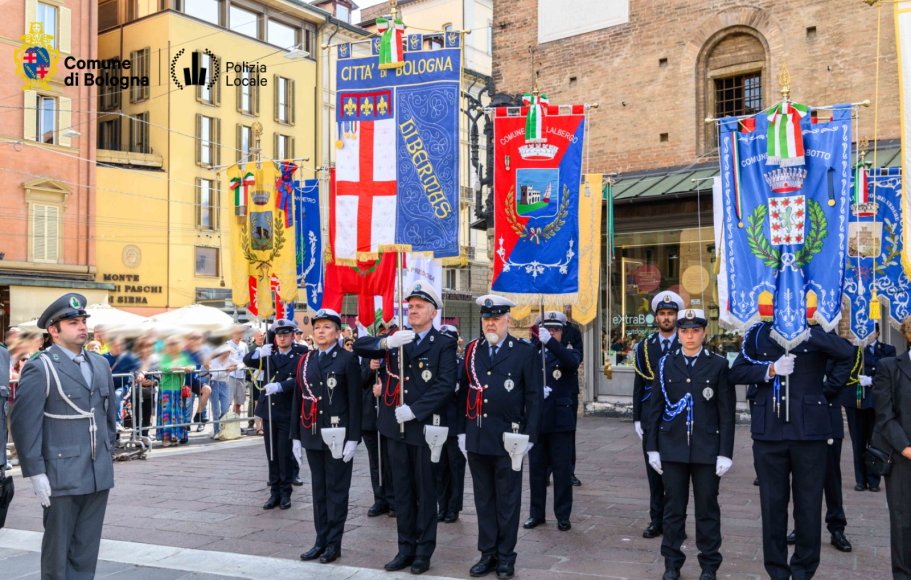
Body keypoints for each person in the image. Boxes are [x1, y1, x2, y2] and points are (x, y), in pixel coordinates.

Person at [729, 321, 854, 580]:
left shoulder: (819, 332)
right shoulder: (759, 332)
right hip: (769, 432)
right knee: (772, 506)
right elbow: (737, 371)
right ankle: (776, 571)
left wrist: (825, 392)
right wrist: (770, 369)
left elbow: (847, 354)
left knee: (808, 506)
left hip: (809, 432)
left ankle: (803, 571)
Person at [9, 293, 117, 578]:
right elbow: (23, 423)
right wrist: (35, 472)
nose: (82, 327)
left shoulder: (100, 364)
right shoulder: (41, 366)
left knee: (86, 547)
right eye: (73, 322)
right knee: (59, 549)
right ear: (54, 331)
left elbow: (108, 416)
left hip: (96, 470)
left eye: (82, 321)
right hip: (61, 471)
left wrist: (108, 451)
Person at [354, 280, 457, 575]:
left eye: (419, 306)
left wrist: (415, 410)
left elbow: (445, 385)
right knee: (401, 492)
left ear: (433, 312)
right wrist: (385, 343)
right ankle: (404, 549)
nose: (412, 311)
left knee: (425, 492)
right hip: (393, 428)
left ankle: (423, 551)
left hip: (423, 428)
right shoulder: (398, 339)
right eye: (410, 306)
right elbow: (360, 347)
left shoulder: (444, 344)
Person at [645, 308, 735, 580]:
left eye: (695, 330)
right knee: (673, 510)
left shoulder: (718, 365)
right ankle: (672, 563)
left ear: (704, 333)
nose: (689, 336)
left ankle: (709, 565)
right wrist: (652, 447)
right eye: (684, 331)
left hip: (707, 450)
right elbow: (655, 409)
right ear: (679, 334)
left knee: (707, 510)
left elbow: (726, 413)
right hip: (672, 448)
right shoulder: (666, 363)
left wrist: (725, 453)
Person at [457, 294, 542, 580]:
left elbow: (534, 397)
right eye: (487, 319)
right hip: (478, 436)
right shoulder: (471, 351)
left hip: (510, 438)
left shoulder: (524, 351)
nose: (491, 324)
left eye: (496, 319)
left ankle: (506, 556)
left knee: (507, 499)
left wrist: (530, 435)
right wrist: (460, 431)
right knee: (483, 499)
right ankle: (487, 553)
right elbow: (462, 393)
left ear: (508, 320)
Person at [292, 308, 361, 564]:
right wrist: (295, 436)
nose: (321, 331)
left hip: (338, 435)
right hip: (312, 433)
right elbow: (298, 400)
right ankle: (320, 541)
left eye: (327, 327)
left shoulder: (346, 359)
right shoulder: (306, 360)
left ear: (338, 332)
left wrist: (353, 437)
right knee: (318, 491)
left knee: (336, 491)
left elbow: (354, 401)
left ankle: (334, 543)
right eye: (317, 327)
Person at [632, 290, 684, 539]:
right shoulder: (645, 346)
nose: (666, 318)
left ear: (677, 316)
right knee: (654, 473)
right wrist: (637, 418)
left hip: (678, 414)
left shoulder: (686, 343)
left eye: (670, 314)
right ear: (656, 317)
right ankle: (656, 521)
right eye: (662, 314)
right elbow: (638, 384)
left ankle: (677, 525)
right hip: (652, 416)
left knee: (677, 475)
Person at [525, 311, 582, 532]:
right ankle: (536, 513)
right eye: (547, 329)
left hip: (560, 420)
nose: (551, 333)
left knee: (562, 470)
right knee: (537, 470)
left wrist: (550, 343)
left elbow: (572, 362)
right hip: (538, 420)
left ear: (562, 332)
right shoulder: (532, 352)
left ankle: (563, 515)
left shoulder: (567, 351)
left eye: (556, 329)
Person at [244, 319, 307, 510]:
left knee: (284, 453)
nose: (282, 338)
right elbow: (247, 361)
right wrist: (258, 351)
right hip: (269, 410)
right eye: (279, 335)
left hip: (287, 409)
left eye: (286, 335)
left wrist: (281, 386)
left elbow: (301, 379)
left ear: (292, 336)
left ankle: (286, 492)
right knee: (271, 453)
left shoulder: (301, 353)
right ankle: (274, 493)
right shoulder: (268, 354)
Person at [872, 315, 911, 579]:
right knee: (903, 522)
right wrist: (906, 448)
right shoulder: (890, 366)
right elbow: (885, 415)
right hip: (902, 457)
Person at [845, 326, 894, 492]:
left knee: (875, 442)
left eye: (870, 331)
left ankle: (874, 480)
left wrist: (872, 380)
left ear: (878, 333)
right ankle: (861, 480)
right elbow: (846, 372)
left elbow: (890, 374)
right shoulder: (853, 351)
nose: (866, 334)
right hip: (856, 402)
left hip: (876, 402)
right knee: (858, 442)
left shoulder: (887, 350)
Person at [360, 329, 395, 519]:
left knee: (391, 460)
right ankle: (379, 498)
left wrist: (385, 388)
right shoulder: (368, 357)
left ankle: (394, 500)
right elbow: (359, 380)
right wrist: (370, 369)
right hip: (370, 417)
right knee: (376, 462)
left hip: (388, 416)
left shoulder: (394, 357)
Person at [436, 324, 466, 524]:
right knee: (439, 469)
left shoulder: (461, 364)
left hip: (455, 423)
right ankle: (442, 506)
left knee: (455, 468)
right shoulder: (434, 362)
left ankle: (453, 508)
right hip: (437, 423)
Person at [158, 336, 193, 446]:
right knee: (166, 414)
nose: (174, 346)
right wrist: (182, 368)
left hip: (178, 389)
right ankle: (165, 438)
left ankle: (176, 436)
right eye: (172, 344)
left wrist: (187, 368)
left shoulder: (183, 356)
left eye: (176, 343)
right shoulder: (164, 356)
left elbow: (192, 366)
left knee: (178, 413)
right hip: (166, 389)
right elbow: (164, 368)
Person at [103, 337, 140, 432]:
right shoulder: (103, 357)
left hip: (123, 386)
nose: (119, 347)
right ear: (110, 346)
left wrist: (140, 374)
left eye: (120, 345)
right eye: (116, 345)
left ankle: (117, 422)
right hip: (106, 387)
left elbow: (137, 368)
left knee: (117, 395)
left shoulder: (128, 358)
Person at [224, 325, 249, 417]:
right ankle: (225, 424)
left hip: (241, 376)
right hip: (230, 377)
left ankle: (236, 424)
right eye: (238, 333)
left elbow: (247, 360)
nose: (240, 334)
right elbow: (224, 360)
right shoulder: (227, 345)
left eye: (241, 333)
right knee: (227, 403)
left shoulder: (244, 345)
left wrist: (239, 366)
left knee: (238, 403)